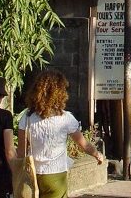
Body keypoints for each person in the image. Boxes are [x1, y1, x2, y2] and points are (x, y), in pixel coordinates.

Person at [17, 70, 103, 198]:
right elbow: (83, 144)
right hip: (56, 174)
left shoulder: (27, 117)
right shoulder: (65, 118)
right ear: (59, 94)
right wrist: (97, 154)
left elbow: (21, 152)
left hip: (34, 173)